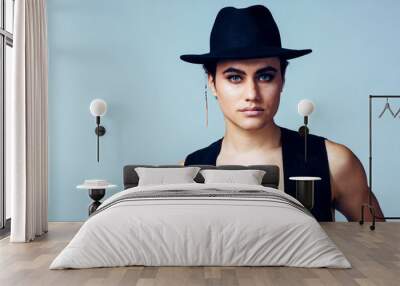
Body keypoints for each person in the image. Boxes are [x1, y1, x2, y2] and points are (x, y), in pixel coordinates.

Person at [179, 5, 384, 222]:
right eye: (235, 78)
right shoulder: (190, 169)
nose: (252, 94)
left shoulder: (333, 161)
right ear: (212, 82)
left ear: (282, 79)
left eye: (265, 76)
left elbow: (382, 246)